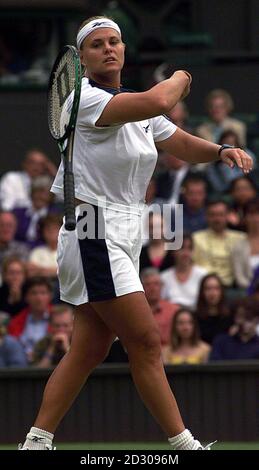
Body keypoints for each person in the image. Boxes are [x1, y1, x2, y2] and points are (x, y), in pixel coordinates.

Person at [19, 15, 253, 451]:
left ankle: (36, 440)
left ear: (124, 50)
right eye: (97, 44)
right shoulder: (83, 100)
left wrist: (221, 150)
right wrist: (182, 77)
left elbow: (180, 141)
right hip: (93, 229)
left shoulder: (136, 104)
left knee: (87, 351)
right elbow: (162, 100)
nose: (109, 48)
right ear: (82, 59)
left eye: (115, 41)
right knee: (145, 341)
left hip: (126, 233)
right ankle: (184, 446)